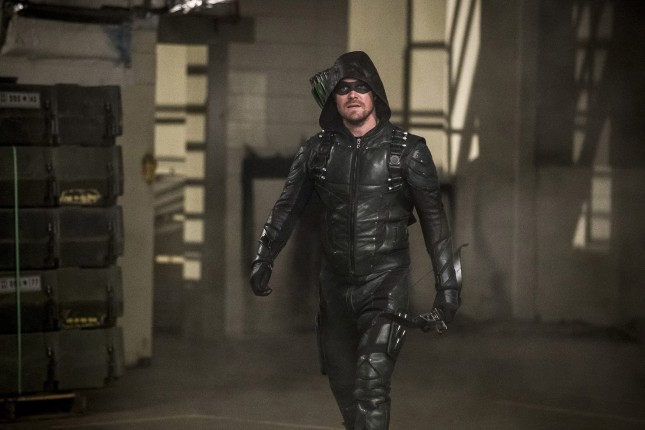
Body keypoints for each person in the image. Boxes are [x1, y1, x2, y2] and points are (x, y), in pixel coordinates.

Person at [249, 51, 461, 430]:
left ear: (374, 93)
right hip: (334, 292)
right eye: (343, 88)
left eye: (360, 87)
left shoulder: (408, 152)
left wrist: (449, 288)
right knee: (347, 393)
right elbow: (286, 208)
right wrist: (264, 256)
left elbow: (435, 224)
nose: (352, 94)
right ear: (333, 97)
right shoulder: (316, 151)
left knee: (370, 387)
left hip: (386, 289)